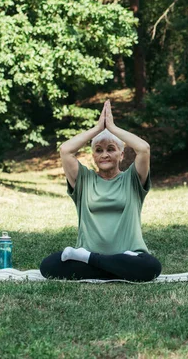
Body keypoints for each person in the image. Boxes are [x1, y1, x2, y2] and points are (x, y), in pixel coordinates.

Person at [40, 100, 162, 282]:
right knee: (48, 266)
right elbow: (65, 150)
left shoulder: (132, 179)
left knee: (151, 267)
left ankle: (92, 261)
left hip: (128, 255)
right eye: (99, 150)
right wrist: (98, 128)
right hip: (100, 254)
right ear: (94, 156)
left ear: (121, 155)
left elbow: (143, 149)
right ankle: (113, 267)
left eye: (111, 149)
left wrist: (111, 127)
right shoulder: (84, 180)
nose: (104, 154)